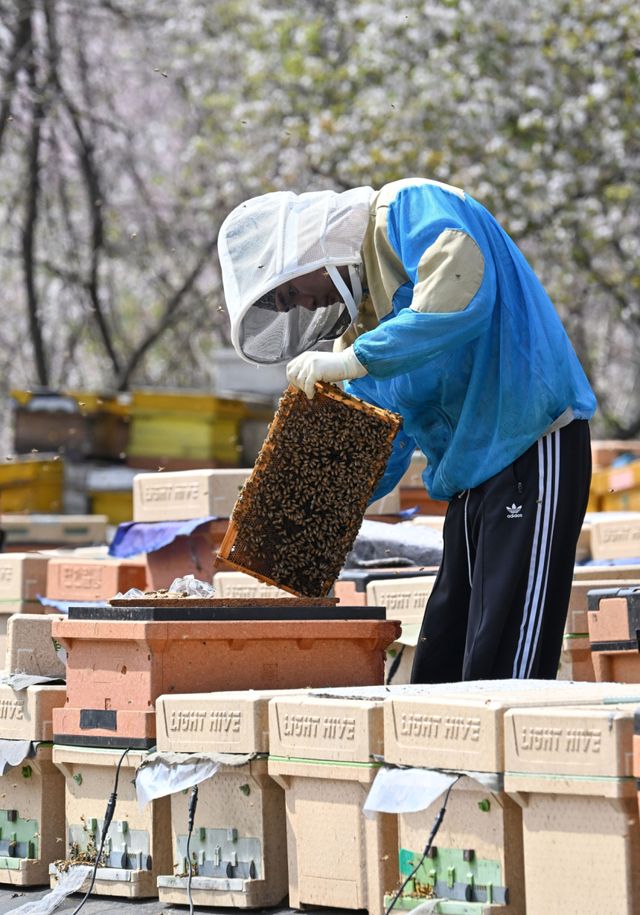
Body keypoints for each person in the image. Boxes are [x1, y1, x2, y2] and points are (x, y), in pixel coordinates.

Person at [217, 177, 596, 682]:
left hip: (531, 442)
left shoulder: (408, 206)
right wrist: (290, 512)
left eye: (292, 292)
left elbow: (459, 294)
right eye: (289, 306)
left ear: (307, 252)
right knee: (443, 659)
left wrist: (358, 359)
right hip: (467, 478)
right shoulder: (363, 333)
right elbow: (374, 449)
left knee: (504, 665)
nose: (305, 306)